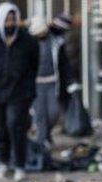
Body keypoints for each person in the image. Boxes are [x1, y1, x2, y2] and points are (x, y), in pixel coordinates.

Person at [0, 3, 38, 182]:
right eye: (7, 19)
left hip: (19, 92)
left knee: (16, 125)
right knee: (1, 128)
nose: (10, 23)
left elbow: (33, 65)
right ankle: (4, 163)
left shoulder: (28, 41)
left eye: (13, 19)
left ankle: (20, 165)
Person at [30, 15, 73, 147]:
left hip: (53, 81)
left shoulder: (55, 41)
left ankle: (46, 134)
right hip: (36, 82)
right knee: (40, 113)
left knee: (54, 112)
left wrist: (69, 80)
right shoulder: (30, 43)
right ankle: (41, 141)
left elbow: (63, 62)